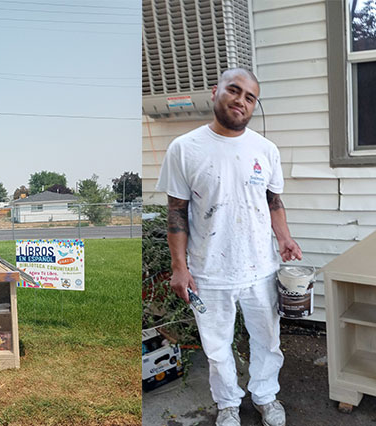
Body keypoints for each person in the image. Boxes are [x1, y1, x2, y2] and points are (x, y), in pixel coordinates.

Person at [156, 68, 302, 426]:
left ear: (254, 106)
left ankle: (266, 397)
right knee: (217, 348)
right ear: (215, 92)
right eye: (234, 91)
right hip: (209, 271)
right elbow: (176, 211)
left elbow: (273, 201)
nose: (241, 100)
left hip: (260, 269)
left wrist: (284, 238)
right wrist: (179, 267)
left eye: (250, 97)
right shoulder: (184, 148)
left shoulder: (265, 150)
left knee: (267, 340)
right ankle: (228, 404)